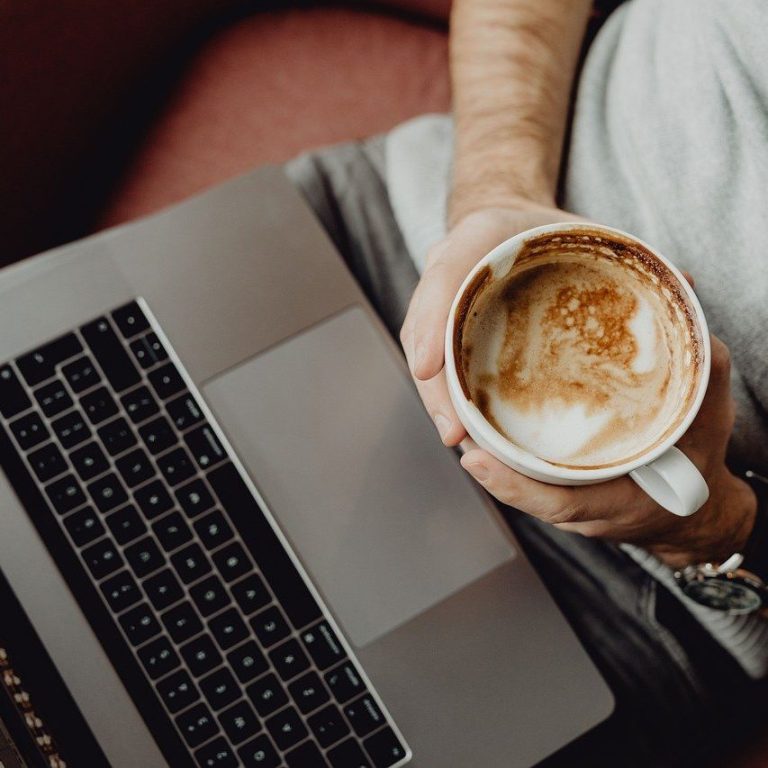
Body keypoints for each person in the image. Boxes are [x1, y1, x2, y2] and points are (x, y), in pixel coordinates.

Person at [286, 0, 768, 765]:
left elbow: (719, 534)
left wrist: (711, 529)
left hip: (626, 600)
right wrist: (494, 189)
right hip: (394, 224)